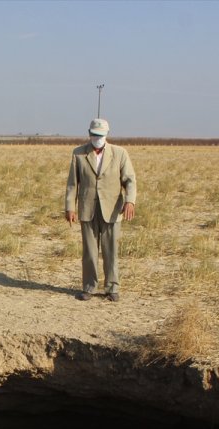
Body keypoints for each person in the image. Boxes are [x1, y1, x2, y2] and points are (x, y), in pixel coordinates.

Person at [64, 118, 137, 301]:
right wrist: (70, 207)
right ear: (89, 133)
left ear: (107, 135)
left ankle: (112, 288)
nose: (97, 138)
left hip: (112, 209)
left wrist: (130, 201)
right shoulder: (78, 153)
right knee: (89, 251)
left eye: (101, 135)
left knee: (111, 250)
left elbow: (130, 180)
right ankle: (89, 287)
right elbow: (72, 184)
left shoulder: (120, 153)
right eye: (94, 135)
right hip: (87, 208)